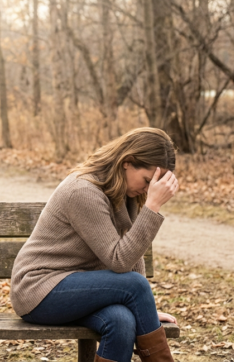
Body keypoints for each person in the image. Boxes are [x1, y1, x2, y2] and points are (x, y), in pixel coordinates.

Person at [11, 127, 179, 362]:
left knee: (122, 321)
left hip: (77, 289)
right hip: (39, 289)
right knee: (135, 285)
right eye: (147, 181)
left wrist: (144, 313)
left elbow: (132, 251)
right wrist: (152, 208)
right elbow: (119, 261)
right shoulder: (83, 190)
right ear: (127, 162)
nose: (147, 189)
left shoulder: (122, 190)